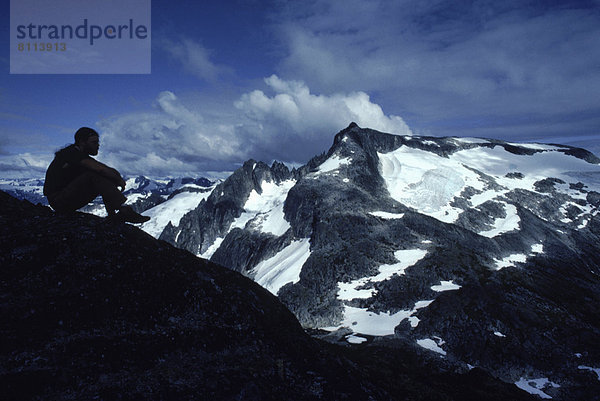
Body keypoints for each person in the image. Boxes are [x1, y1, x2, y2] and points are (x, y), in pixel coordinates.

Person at [43, 127, 150, 223]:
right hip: (58, 200)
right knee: (95, 175)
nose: (98, 145)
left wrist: (115, 175)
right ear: (82, 142)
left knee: (101, 174)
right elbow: (99, 169)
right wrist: (118, 179)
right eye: (94, 142)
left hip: (63, 199)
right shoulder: (72, 153)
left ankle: (114, 215)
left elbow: (103, 168)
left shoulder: (77, 154)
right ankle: (124, 211)